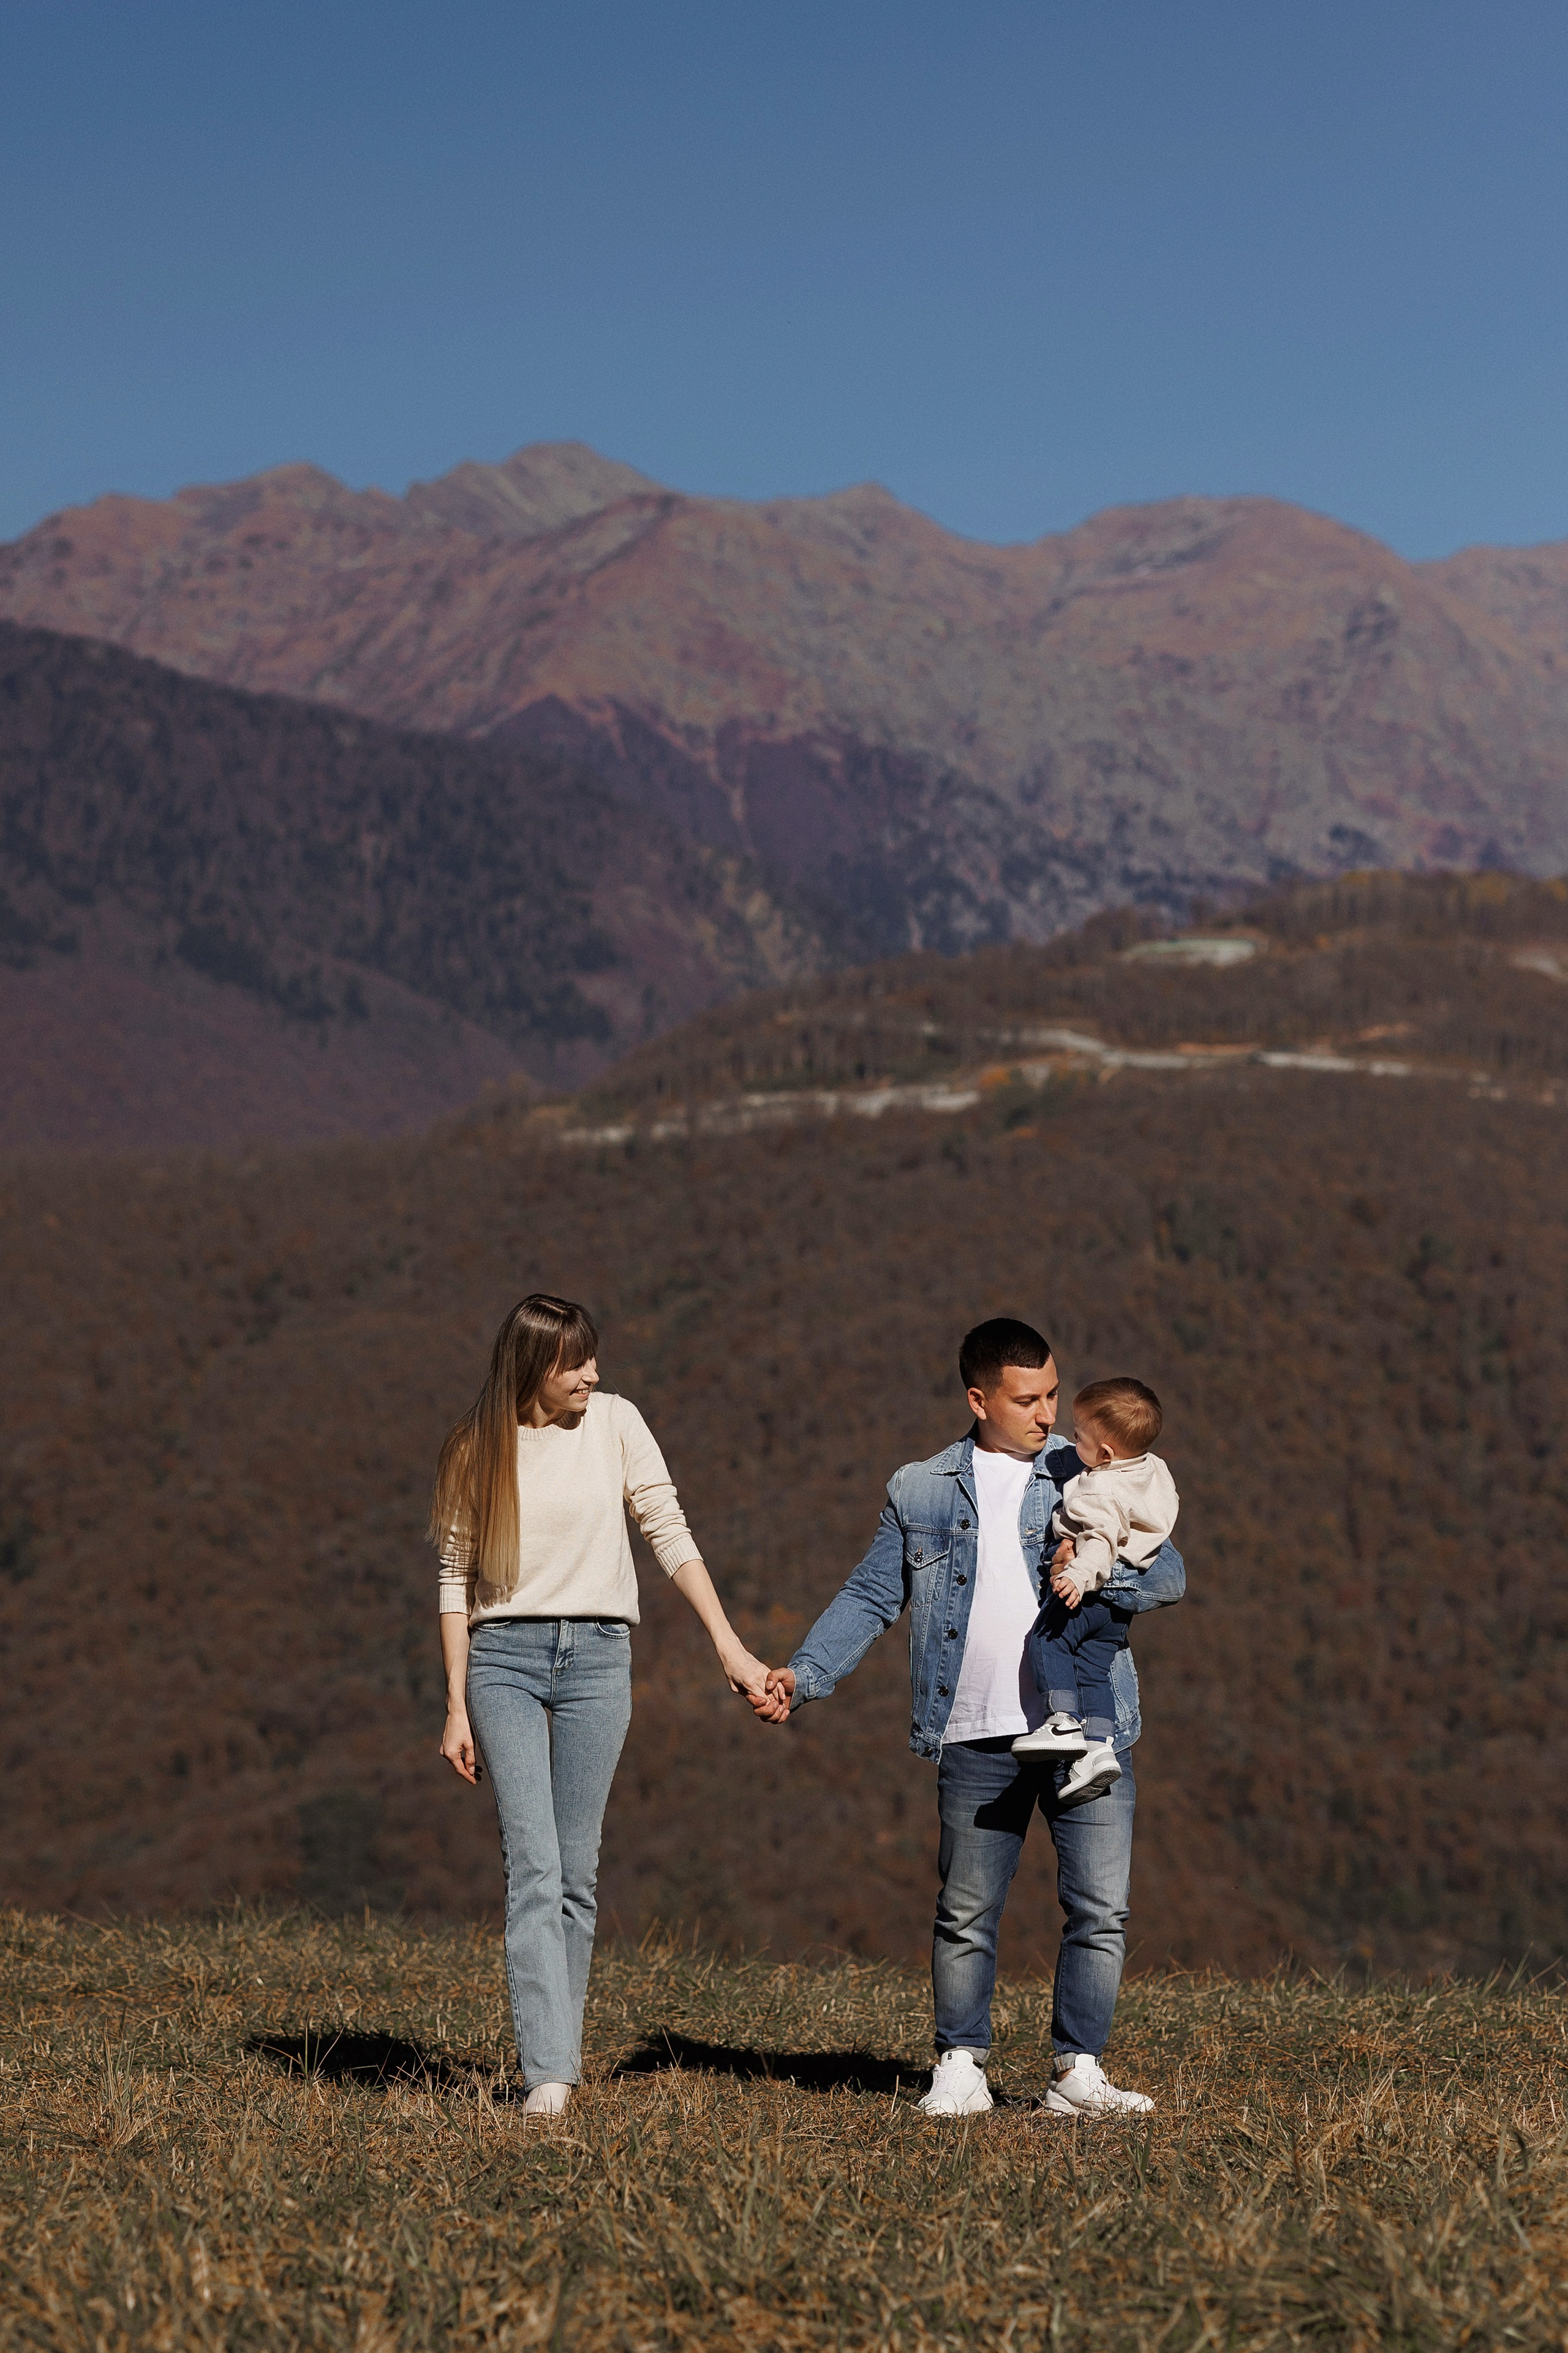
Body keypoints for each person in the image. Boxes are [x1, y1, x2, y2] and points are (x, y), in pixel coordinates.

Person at [751, 1317, 1185, 2121]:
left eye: (1054, 1392)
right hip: (975, 1728)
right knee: (964, 1910)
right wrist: (804, 1675)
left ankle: (1077, 2071)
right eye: (1029, 1399)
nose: (1050, 1413)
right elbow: (872, 1596)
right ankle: (960, 2065)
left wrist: (1094, 1575)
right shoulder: (920, 1489)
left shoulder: (1087, 1469)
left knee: (1099, 1909)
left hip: (1086, 1731)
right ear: (979, 1398)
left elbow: (1170, 1575)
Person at [432, 1292, 768, 2116]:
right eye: (574, 1361)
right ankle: (549, 2071)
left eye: (593, 1357)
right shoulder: (479, 1448)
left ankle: (557, 2057)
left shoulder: (617, 1422)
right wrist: (454, 1705)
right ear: (533, 1367)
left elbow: (667, 1527)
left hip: (598, 1658)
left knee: (577, 1870)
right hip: (502, 1658)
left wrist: (727, 1642)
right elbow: (452, 1579)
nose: (593, 1372)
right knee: (535, 1865)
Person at [1010, 1377, 1179, 1807]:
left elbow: (1102, 1539)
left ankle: (1063, 1721)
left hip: (1090, 1592)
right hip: (1118, 1613)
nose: (1072, 1440)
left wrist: (1078, 1575)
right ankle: (1099, 1747)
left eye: (1080, 1436)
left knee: (1048, 1641)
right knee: (1093, 1667)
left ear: (1105, 1454)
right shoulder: (1153, 1470)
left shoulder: (1097, 1488)